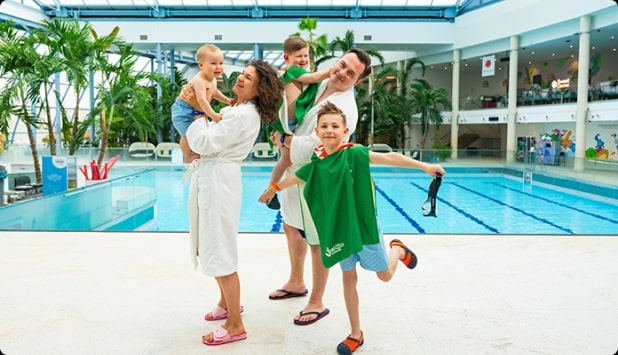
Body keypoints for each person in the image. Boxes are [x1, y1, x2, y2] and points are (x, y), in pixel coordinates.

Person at [259, 101, 446, 354]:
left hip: (365, 227)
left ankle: (398, 251)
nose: (329, 130)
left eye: (335, 125)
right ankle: (355, 333)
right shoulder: (318, 163)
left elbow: (389, 157)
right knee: (349, 278)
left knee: (385, 275)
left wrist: (425, 167)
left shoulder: (355, 153)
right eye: (324, 126)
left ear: (345, 131)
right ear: (316, 132)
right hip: (341, 231)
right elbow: (297, 176)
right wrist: (275, 188)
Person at [179, 60, 283, 346]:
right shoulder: (235, 109)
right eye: (242, 73)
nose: (239, 78)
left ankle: (235, 323)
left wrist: (198, 111)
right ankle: (226, 304)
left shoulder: (243, 115)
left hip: (218, 180)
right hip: (213, 176)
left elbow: (205, 144)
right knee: (208, 243)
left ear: (259, 89)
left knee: (220, 249)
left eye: (248, 78)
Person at [266, 48, 372, 327]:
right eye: (342, 65)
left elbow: (323, 145)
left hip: (319, 175)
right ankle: (296, 281)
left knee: (316, 240)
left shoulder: (346, 107)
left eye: (351, 73)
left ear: (357, 81)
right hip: (294, 168)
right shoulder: (322, 81)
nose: (342, 73)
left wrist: (286, 142)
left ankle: (317, 301)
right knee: (290, 226)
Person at [267, 36, 330, 209]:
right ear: (287, 58)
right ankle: (272, 190)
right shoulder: (293, 71)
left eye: (305, 56)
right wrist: (330, 72)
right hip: (284, 124)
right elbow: (312, 79)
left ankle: (271, 191)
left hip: (289, 125)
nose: (303, 60)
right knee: (287, 160)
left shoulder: (294, 73)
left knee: (286, 160)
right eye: (298, 56)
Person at [172, 44, 233, 164]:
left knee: (198, 133)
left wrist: (227, 100)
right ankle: (188, 156)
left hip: (194, 110)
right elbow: (202, 101)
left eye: (221, 63)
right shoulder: (199, 81)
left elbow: (215, 93)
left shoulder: (213, 79)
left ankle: (197, 152)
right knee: (187, 134)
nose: (218, 67)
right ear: (201, 65)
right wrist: (213, 116)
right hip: (183, 110)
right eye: (213, 63)